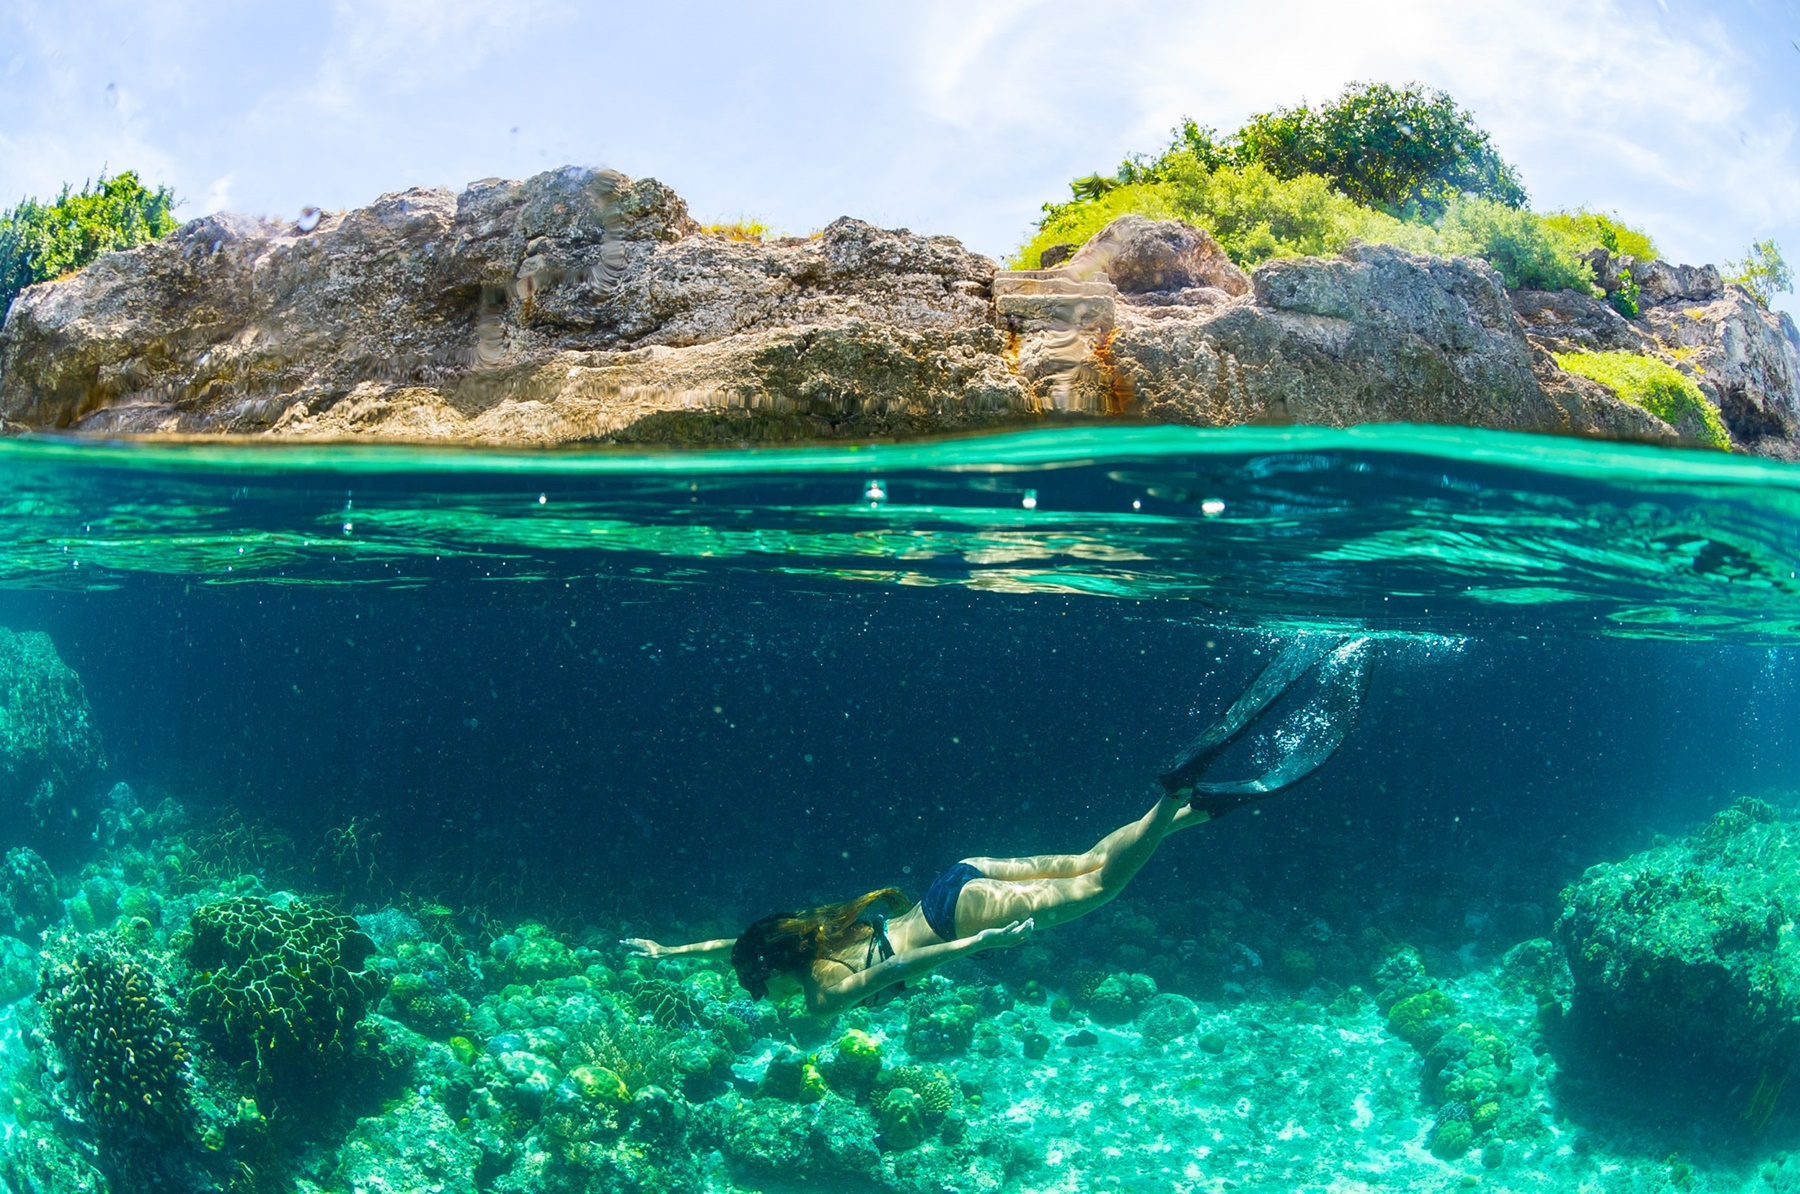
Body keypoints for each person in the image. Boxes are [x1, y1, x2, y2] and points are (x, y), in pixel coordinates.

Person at [624, 636, 1372, 1016]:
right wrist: (666, 954)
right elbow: (738, 944)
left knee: (1102, 888)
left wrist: (980, 944)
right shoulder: (810, 933)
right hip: (958, 877)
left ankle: (1178, 791)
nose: (774, 1004)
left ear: (777, 975)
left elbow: (898, 969)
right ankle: (1185, 809)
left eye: (768, 994)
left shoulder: (819, 992)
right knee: (1087, 860)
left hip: (961, 917)